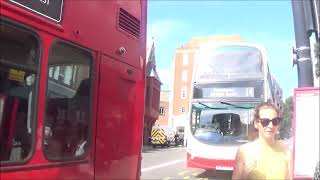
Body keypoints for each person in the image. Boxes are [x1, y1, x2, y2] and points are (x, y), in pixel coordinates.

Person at [232, 101, 292, 179]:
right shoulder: (244, 151)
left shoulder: (286, 152)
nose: (271, 126)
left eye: (275, 121)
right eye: (265, 122)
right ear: (256, 124)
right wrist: (244, 175)